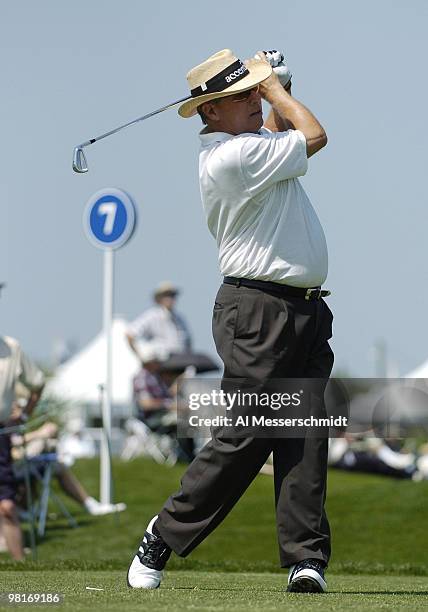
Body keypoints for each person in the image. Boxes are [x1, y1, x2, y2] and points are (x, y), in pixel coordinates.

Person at [127, 48, 334, 593]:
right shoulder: (229, 159)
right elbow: (313, 134)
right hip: (257, 310)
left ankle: (304, 560)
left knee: (304, 435)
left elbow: (276, 130)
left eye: (249, 90)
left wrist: (274, 82)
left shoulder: (253, 145)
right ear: (208, 112)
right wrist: (275, 89)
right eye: (235, 96)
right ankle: (163, 533)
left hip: (305, 308)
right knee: (247, 434)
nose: (249, 101)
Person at [0, 333, 45, 560]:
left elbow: (37, 383)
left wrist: (25, 415)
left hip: (1, 435)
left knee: (7, 506)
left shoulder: (11, 347)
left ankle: (22, 569)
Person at [126, 282, 192, 359]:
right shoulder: (152, 316)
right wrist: (142, 358)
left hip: (178, 362)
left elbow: (188, 342)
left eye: (172, 295)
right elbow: (130, 334)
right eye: (166, 295)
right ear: (159, 298)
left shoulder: (180, 319)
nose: (170, 299)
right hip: (159, 363)